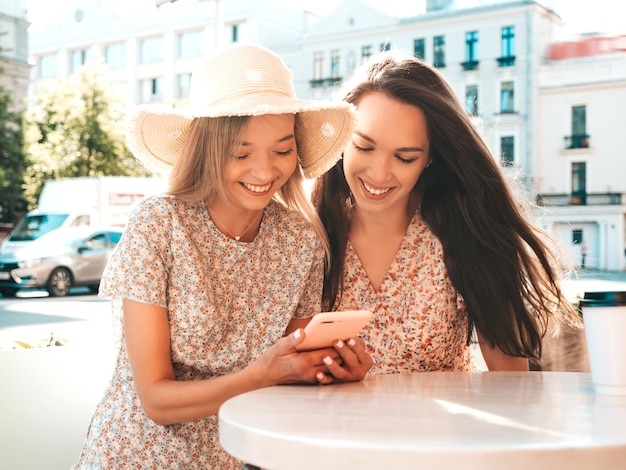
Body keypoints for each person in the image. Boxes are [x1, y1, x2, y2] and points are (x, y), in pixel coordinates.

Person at [73, 44, 371, 469]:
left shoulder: (300, 240)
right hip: (134, 457)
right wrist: (261, 376)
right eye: (241, 153)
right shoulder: (158, 224)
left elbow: (293, 371)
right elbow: (156, 400)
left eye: (282, 151)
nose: (265, 171)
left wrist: (334, 372)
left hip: (236, 457)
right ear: (209, 150)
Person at [311, 50, 581, 374]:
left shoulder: (464, 231)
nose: (379, 174)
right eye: (364, 147)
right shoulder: (307, 233)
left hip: (445, 424)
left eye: (405, 157)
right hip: (330, 423)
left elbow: (511, 381)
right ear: (342, 139)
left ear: (430, 158)